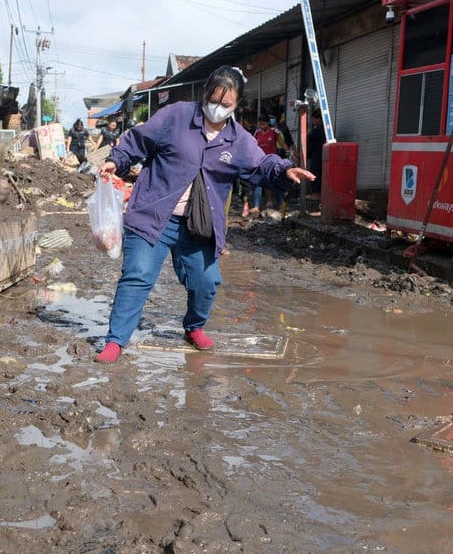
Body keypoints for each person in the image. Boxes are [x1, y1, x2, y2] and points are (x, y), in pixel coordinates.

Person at [94, 65, 315, 363]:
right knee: (138, 275)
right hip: (152, 217)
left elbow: (262, 165)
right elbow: (137, 141)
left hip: (198, 227)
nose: (218, 108)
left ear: (237, 105)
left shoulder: (238, 140)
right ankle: (115, 341)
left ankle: (194, 327)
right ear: (205, 93)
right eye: (214, 100)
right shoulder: (176, 117)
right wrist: (116, 161)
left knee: (206, 282)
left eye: (227, 105)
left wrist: (285, 169)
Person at [254, 117, 288, 211]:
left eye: (264, 124)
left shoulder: (274, 132)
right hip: (261, 161)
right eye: (260, 124)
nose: (262, 126)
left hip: (273, 161)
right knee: (260, 182)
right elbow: (253, 145)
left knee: (275, 182)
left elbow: (282, 143)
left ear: (268, 123)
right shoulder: (257, 133)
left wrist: (289, 153)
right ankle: (261, 204)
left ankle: (281, 204)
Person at [307, 112, 327, 210]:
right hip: (319, 154)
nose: (313, 122)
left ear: (319, 119)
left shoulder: (320, 130)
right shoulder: (324, 129)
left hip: (318, 154)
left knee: (316, 173)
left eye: (314, 119)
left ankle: (317, 193)